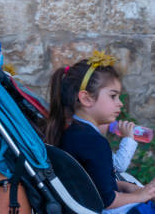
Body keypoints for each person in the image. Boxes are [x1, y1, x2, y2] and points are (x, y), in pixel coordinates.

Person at [45, 51, 155, 214]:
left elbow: (94, 181)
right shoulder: (94, 143)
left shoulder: (71, 133)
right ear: (86, 98)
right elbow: (107, 201)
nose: (120, 104)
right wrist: (141, 196)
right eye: (113, 96)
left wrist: (131, 188)